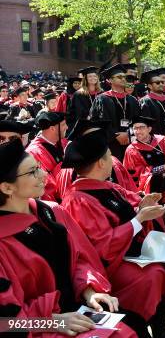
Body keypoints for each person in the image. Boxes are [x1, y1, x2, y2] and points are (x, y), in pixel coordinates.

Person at [0, 139, 136, 337]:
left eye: (38, 167)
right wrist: (49, 322)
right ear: (7, 188)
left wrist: (88, 291)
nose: (44, 174)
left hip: (77, 310)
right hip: (36, 328)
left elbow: (79, 258)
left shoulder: (52, 212)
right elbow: (4, 324)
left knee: (132, 324)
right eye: (32, 172)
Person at [61, 129, 165, 338]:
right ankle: (145, 324)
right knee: (153, 274)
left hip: (128, 251)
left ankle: (158, 321)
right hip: (108, 264)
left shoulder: (106, 186)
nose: (113, 160)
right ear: (100, 163)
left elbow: (126, 209)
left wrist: (141, 205)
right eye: (109, 156)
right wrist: (139, 219)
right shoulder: (78, 199)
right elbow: (102, 246)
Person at [90, 64, 141, 161]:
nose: (123, 79)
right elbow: (96, 122)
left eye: (124, 77)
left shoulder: (132, 100)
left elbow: (138, 120)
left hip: (130, 142)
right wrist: (115, 135)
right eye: (119, 77)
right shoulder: (102, 99)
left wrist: (128, 134)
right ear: (110, 80)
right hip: (109, 144)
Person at [140, 68, 165, 139]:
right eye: (157, 83)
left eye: (162, 82)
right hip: (154, 140)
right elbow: (146, 124)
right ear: (149, 86)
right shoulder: (145, 102)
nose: (161, 84)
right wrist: (160, 137)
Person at [69, 66, 102, 131]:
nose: (93, 78)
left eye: (95, 76)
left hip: (100, 126)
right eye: (90, 76)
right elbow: (78, 113)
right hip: (84, 127)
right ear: (85, 78)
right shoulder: (79, 94)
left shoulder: (102, 93)